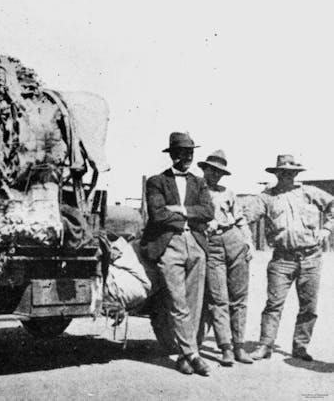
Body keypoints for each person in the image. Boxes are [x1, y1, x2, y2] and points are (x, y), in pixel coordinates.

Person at [245, 154, 334, 361]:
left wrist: (327, 229)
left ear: (296, 174)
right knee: (274, 303)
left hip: (311, 257)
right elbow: (243, 215)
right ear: (277, 174)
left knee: (309, 306)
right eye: (283, 172)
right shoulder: (266, 198)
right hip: (282, 259)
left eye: (291, 173)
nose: (287, 176)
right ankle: (265, 345)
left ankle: (300, 346)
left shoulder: (309, 193)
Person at [141, 132, 214, 376]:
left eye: (191, 153)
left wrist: (179, 209)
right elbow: (157, 214)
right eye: (182, 153)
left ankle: (184, 356)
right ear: (172, 155)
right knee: (177, 301)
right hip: (169, 244)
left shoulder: (199, 182)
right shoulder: (156, 181)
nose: (187, 157)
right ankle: (193, 354)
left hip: (195, 243)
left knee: (194, 303)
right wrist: (189, 213)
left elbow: (208, 212)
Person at [197, 150, 254, 366]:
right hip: (211, 244)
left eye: (221, 172)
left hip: (234, 240)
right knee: (218, 298)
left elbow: (240, 220)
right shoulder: (195, 191)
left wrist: (248, 242)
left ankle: (239, 346)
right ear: (205, 169)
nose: (217, 175)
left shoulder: (227, 192)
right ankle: (226, 347)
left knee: (239, 297)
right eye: (213, 170)